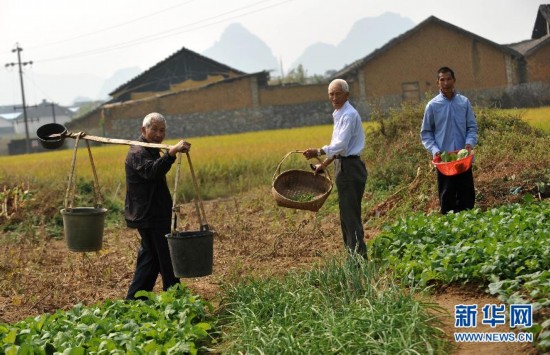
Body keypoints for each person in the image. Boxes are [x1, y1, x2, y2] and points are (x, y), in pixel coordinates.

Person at [125, 112, 191, 300]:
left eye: (162, 130)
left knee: (151, 259)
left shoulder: (151, 150)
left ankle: (135, 300)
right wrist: (171, 153)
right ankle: (176, 300)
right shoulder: (137, 151)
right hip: (149, 216)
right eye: (154, 129)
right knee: (166, 258)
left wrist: (167, 154)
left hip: (155, 213)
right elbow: (152, 171)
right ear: (143, 129)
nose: (158, 134)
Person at [303, 78, 368, 257]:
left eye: (338, 93)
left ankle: (359, 259)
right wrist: (322, 165)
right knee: (345, 215)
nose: (334, 97)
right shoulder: (339, 114)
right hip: (343, 165)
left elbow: (341, 146)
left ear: (347, 95)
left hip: (351, 167)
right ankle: (352, 256)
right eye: (331, 94)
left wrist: (318, 151)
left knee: (350, 216)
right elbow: (337, 146)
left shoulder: (349, 115)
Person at [421, 66, 478, 214]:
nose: (446, 83)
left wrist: (469, 143)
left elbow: (471, 127)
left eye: (448, 79)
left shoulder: (464, 102)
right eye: (442, 80)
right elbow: (426, 133)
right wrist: (435, 150)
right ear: (437, 83)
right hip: (445, 162)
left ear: (454, 80)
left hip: (463, 160)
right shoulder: (432, 106)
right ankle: (451, 229)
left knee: (467, 198)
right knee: (447, 199)